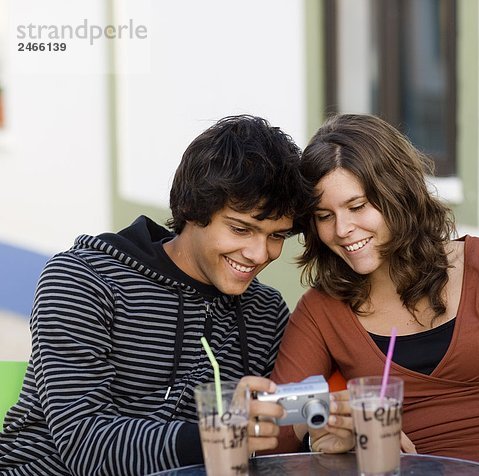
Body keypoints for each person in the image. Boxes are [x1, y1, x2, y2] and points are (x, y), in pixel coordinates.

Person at [0, 115, 310, 475]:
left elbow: (270, 445)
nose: (260, 254)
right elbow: (84, 444)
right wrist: (216, 437)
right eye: (242, 229)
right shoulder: (83, 280)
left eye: (276, 236)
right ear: (194, 209)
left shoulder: (265, 312)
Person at [270, 114, 479, 476]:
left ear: (398, 194)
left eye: (357, 206)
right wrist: (328, 425)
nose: (343, 230)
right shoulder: (322, 309)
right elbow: (278, 434)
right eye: (324, 215)